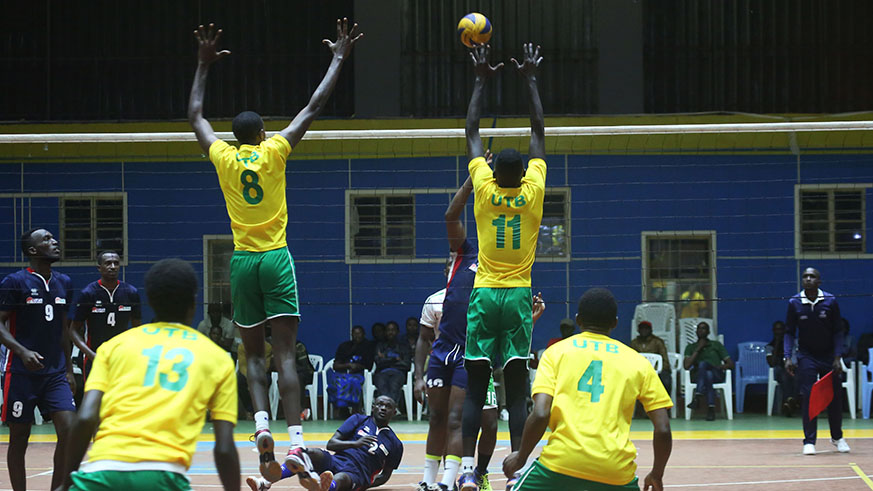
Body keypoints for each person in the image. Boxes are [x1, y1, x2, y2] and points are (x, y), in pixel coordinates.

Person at [187, 19, 362, 484]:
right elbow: (314, 105)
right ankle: (297, 441)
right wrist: (338, 59)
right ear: (263, 134)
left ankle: (261, 425)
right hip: (276, 258)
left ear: (234, 138)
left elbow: (196, 117)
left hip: (242, 261)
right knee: (285, 353)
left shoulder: (223, 157)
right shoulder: (276, 150)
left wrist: (203, 66)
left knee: (252, 355)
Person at [58, 258, 240, 491]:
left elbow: (85, 419)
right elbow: (224, 448)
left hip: (101, 473)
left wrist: (65, 484)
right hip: (164, 477)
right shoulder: (217, 358)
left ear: (151, 302)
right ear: (193, 304)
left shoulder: (113, 347)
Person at [460, 42, 547, 490]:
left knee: (476, 390)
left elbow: (472, 130)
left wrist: (480, 80)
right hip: (516, 298)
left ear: (495, 175)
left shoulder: (482, 187)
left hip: (484, 294)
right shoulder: (533, 192)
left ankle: (465, 471)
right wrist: (530, 79)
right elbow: (538, 131)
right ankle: (516, 471)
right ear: (525, 173)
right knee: (516, 391)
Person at [503, 288, 673, 491]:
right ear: (615, 323)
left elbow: (540, 414)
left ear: (578, 320)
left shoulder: (555, 353)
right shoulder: (638, 362)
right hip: (615, 471)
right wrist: (656, 474)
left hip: (561, 463)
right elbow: (663, 429)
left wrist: (520, 457)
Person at [414, 175, 519, 491]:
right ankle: (428, 481)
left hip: (472, 353)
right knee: (437, 418)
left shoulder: (504, 267)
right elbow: (450, 215)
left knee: (463, 419)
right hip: (442, 350)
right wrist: (472, 182)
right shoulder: (466, 254)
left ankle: (453, 480)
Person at [0, 228, 76, 491]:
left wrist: (69, 370)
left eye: (53, 238)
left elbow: (63, 330)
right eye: (47, 239)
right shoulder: (15, 282)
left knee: (69, 431)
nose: (54, 241)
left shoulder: (64, 282)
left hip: (55, 374)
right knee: (19, 438)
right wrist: (22, 351)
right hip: (20, 373)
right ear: (32, 250)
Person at [246, 395, 403, 491]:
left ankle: (323, 487)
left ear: (394, 412)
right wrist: (355, 444)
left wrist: (366, 484)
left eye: (388, 407)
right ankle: (265, 482)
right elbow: (331, 444)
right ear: (373, 407)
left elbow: (385, 476)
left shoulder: (395, 444)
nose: (383, 408)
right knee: (308, 454)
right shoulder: (358, 420)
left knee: (340, 479)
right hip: (336, 460)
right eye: (380, 404)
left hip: (356, 474)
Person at [784, 267, 850, 455]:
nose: (808, 279)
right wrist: (787, 357)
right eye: (805, 276)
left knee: (834, 397)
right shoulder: (794, 302)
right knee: (808, 396)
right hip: (807, 355)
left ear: (819, 281)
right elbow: (789, 332)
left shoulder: (830, 300)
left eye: (812, 276)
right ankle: (809, 441)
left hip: (829, 356)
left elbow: (838, 331)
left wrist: (837, 357)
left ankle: (837, 437)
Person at [70, 250, 142, 378]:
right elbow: (73, 330)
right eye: (108, 263)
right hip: (95, 358)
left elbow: (137, 329)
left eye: (116, 263)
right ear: (99, 267)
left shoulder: (131, 292)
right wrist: (91, 355)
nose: (113, 267)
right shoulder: (88, 293)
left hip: (121, 358)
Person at [683, 321, 733, 421]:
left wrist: (718, 367)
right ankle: (711, 409)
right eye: (699, 328)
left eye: (703, 328)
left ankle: (698, 397)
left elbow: (730, 364)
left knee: (705, 367)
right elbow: (686, 366)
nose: (700, 330)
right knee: (707, 374)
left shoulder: (716, 345)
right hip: (698, 376)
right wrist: (698, 349)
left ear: (708, 332)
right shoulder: (691, 347)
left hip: (716, 373)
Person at [332, 325, 375, 416]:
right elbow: (335, 365)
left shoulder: (368, 346)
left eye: (359, 333)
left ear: (364, 334)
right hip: (343, 372)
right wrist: (348, 365)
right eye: (354, 334)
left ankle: (355, 409)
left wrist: (357, 367)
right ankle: (342, 409)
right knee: (336, 382)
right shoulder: (344, 346)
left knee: (352, 381)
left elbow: (369, 366)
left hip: (360, 374)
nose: (356, 336)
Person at [373, 321, 411, 409]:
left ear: (398, 332)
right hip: (382, 373)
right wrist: (395, 359)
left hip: (398, 373)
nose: (391, 332)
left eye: (393, 330)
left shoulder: (404, 346)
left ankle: (389, 409)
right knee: (382, 384)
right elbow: (378, 362)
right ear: (385, 332)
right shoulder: (380, 346)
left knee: (394, 385)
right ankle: (388, 408)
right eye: (388, 330)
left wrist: (385, 359)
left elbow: (406, 364)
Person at [765, 320, 799, 416]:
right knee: (785, 376)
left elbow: (800, 357)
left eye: (781, 329)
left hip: (794, 368)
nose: (779, 332)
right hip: (779, 370)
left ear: (784, 330)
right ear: (773, 331)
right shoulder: (769, 346)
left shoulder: (793, 343)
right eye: (776, 330)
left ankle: (790, 402)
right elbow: (772, 363)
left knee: (797, 377)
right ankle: (790, 402)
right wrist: (777, 344)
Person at [630, 321, 672, 393]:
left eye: (646, 328)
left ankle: (665, 399)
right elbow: (631, 359)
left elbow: (665, 360)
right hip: (639, 370)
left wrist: (657, 369)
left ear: (651, 330)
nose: (644, 330)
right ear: (638, 330)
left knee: (666, 381)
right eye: (642, 328)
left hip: (657, 370)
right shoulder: (634, 343)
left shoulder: (658, 342)